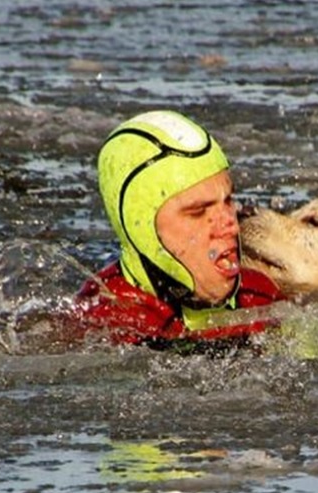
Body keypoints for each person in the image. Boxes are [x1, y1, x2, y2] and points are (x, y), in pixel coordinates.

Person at [74, 110, 285, 348]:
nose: (231, 225)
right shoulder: (103, 325)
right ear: (143, 232)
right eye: (198, 212)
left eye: (227, 201)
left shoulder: (260, 295)